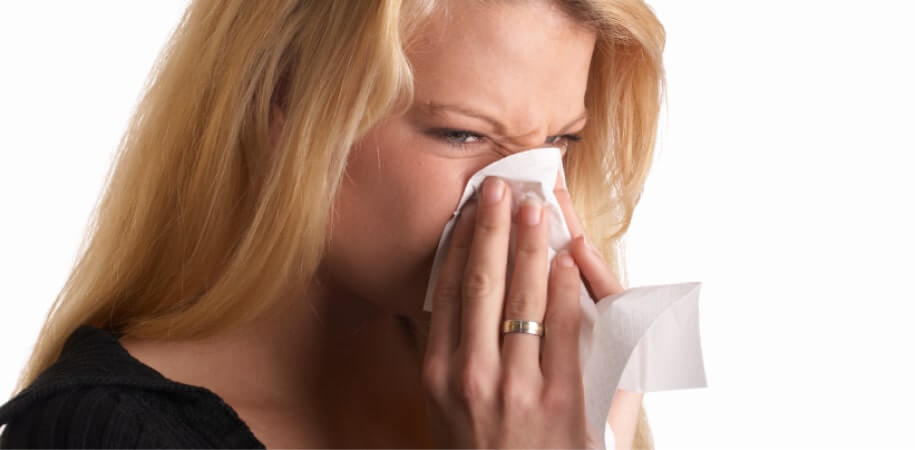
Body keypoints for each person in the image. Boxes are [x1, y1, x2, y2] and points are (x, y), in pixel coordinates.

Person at [0, 0, 665, 448]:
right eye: (462, 134)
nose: (533, 203)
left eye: (561, 142)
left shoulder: (543, 395)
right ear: (280, 108)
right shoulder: (100, 431)